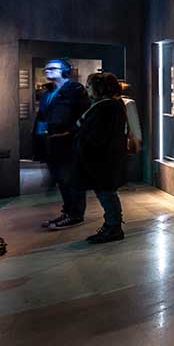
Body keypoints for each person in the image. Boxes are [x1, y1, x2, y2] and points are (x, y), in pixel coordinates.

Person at [35, 59, 90, 229]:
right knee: (61, 179)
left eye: (52, 68)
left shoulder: (75, 90)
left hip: (69, 142)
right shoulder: (48, 93)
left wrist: (70, 132)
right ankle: (68, 212)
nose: (48, 71)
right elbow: (42, 117)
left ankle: (75, 215)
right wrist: (40, 135)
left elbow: (85, 115)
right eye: (46, 69)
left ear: (65, 70)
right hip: (52, 142)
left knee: (71, 179)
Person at [76, 72, 128, 244]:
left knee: (106, 194)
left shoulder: (106, 108)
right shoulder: (111, 105)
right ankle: (111, 226)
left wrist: (84, 144)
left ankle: (113, 228)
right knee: (106, 193)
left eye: (89, 86)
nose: (87, 89)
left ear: (99, 88)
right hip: (105, 159)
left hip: (103, 160)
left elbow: (97, 136)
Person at [119, 81, 142, 187]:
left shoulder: (111, 102)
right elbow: (134, 123)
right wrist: (138, 140)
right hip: (124, 137)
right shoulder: (129, 102)